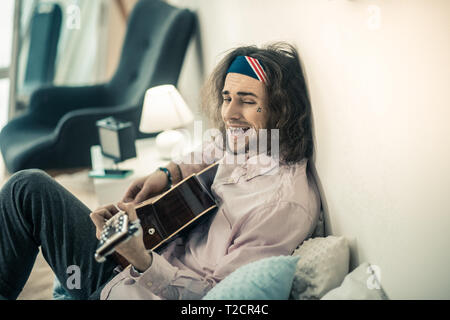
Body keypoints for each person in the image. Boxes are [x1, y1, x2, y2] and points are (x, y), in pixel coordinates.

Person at [0, 42, 321, 300]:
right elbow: (212, 148)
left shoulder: (280, 206)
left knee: (27, 189)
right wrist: (166, 174)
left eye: (247, 101)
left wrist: (140, 258)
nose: (230, 113)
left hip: (126, 287)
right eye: (226, 98)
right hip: (141, 254)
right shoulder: (253, 145)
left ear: (281, 109)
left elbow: (215, 299)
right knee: (33, 192)